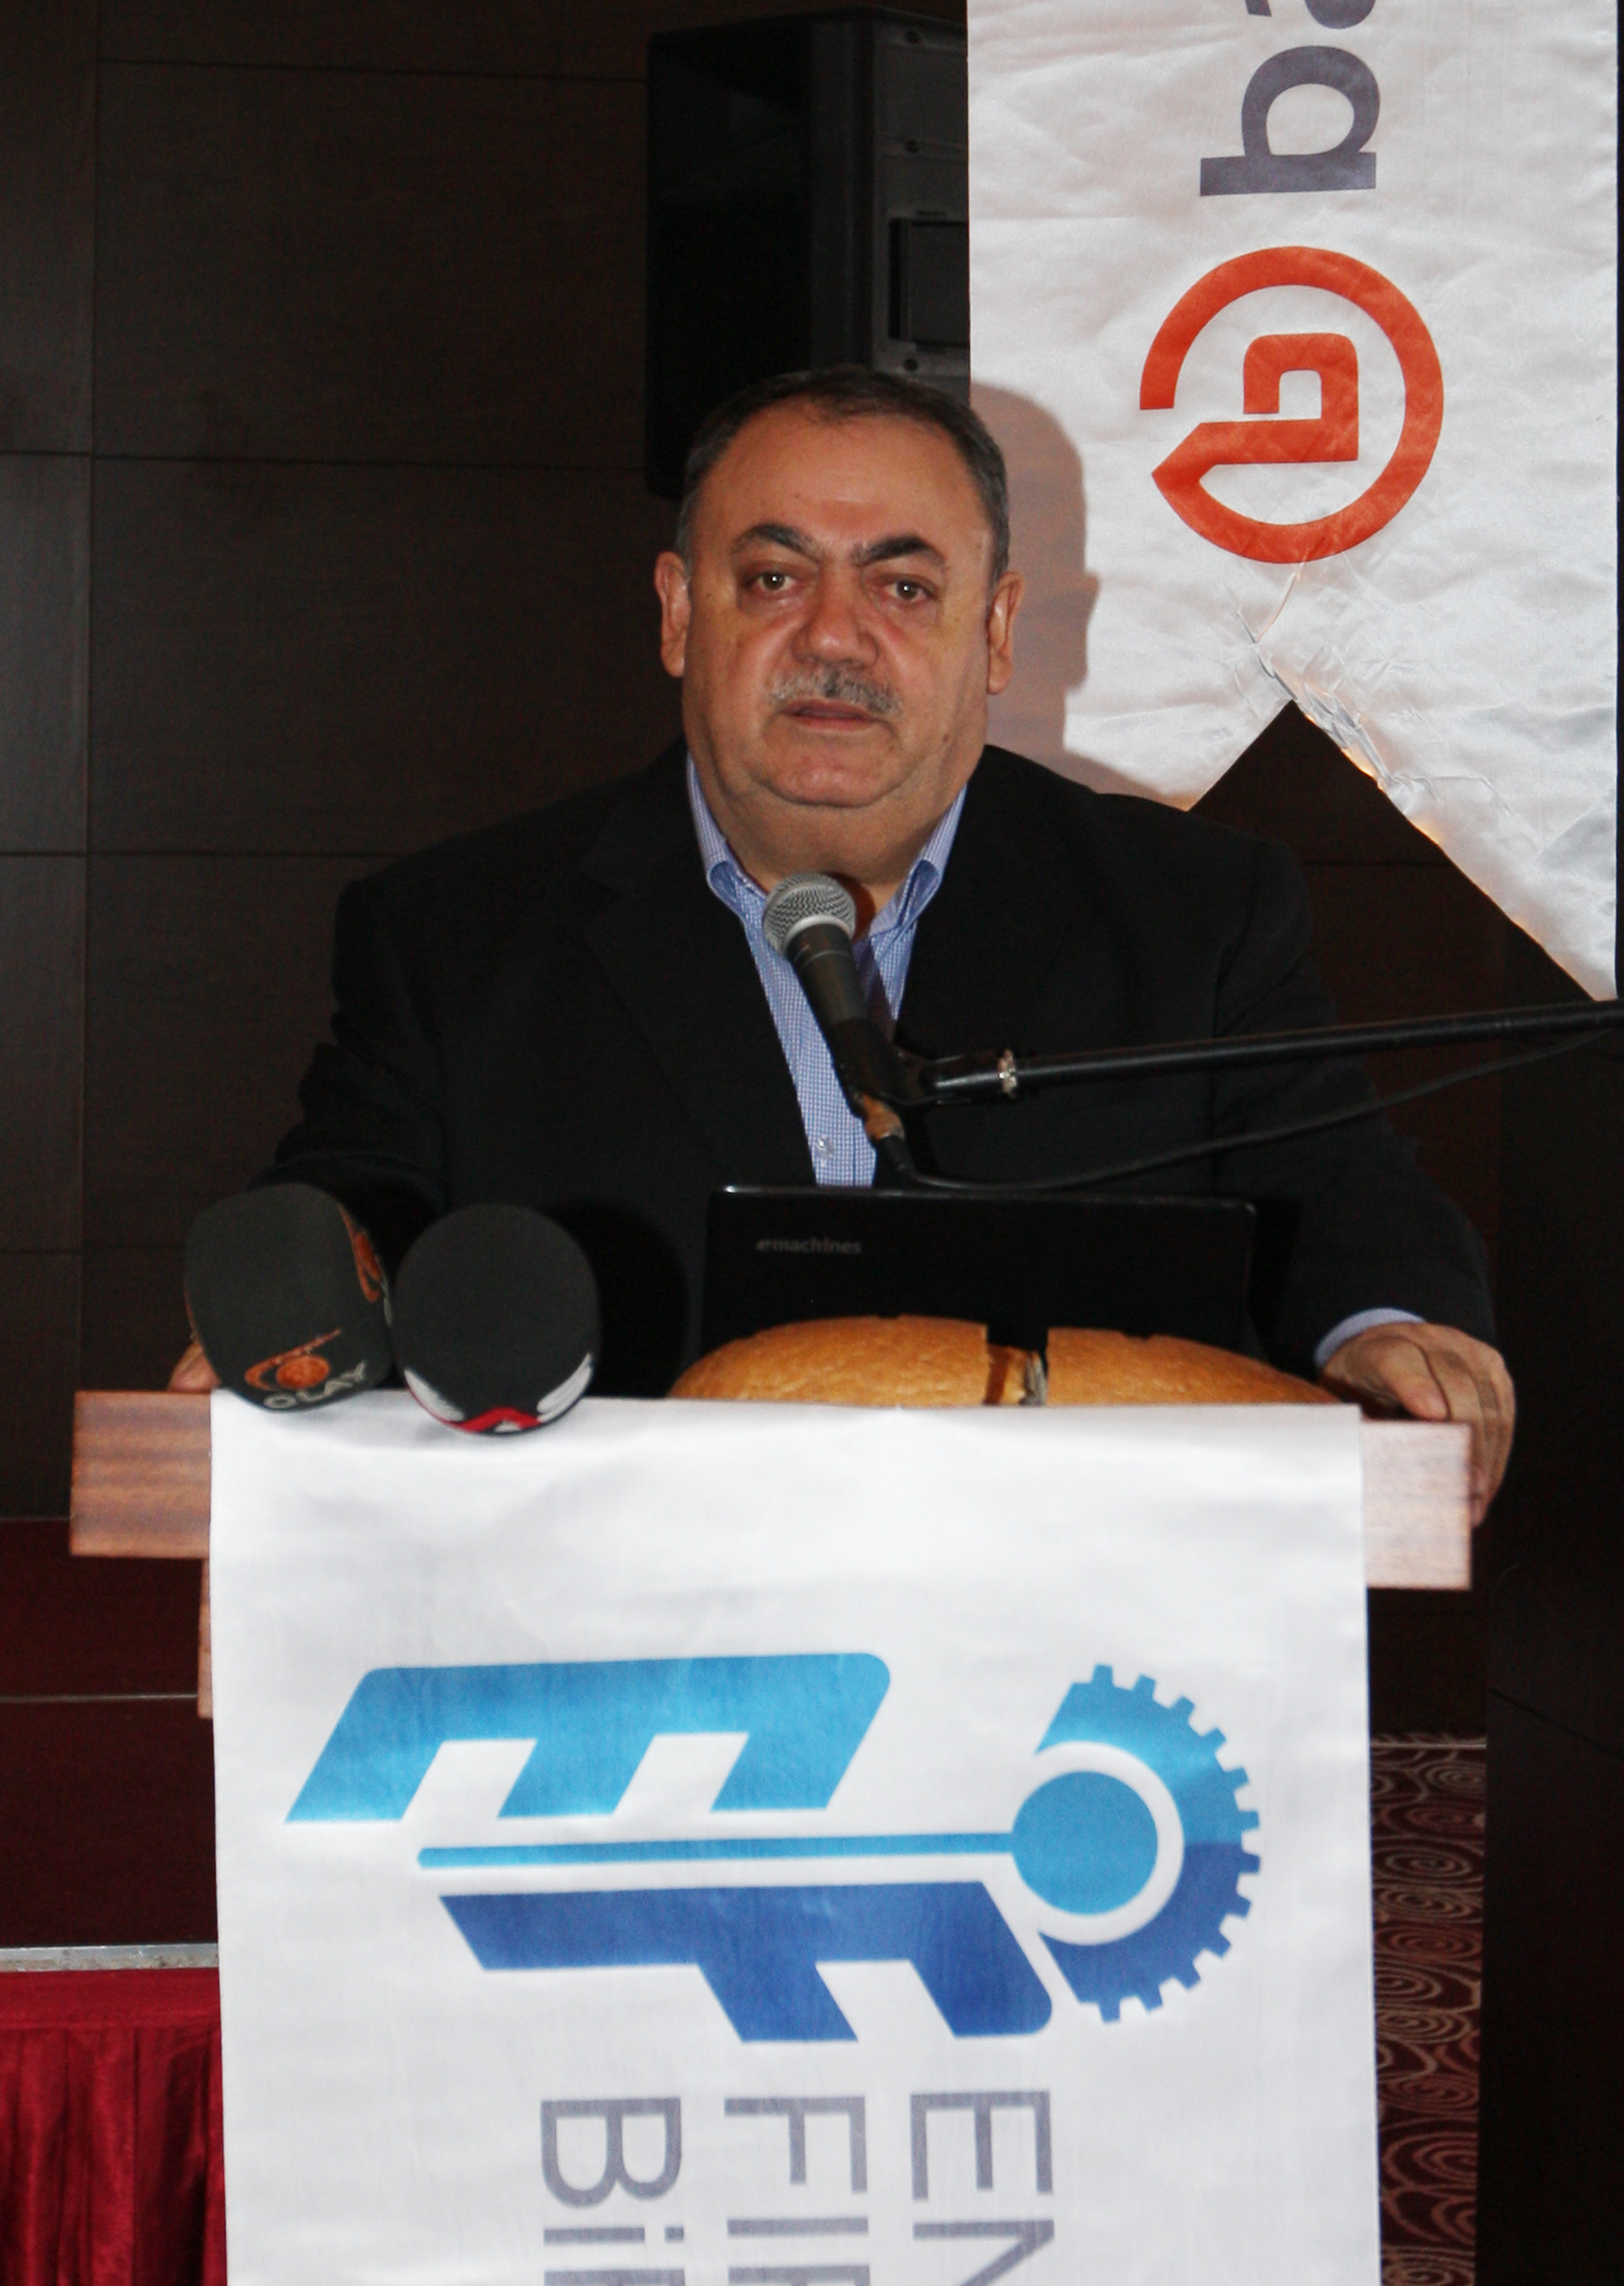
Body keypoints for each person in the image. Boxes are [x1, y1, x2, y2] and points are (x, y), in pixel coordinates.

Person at [171, 367, 1514, 1514]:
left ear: (997, 630)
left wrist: (1392, 1328)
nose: (834, 637)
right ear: (677, 613)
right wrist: (287, 1315)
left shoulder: (1192, 912)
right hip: (611, 1601)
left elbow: (1337, 1187)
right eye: (772, 578)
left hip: (1075, 1597)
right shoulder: (455, 934)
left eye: (905, 587)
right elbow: (355, 1204)